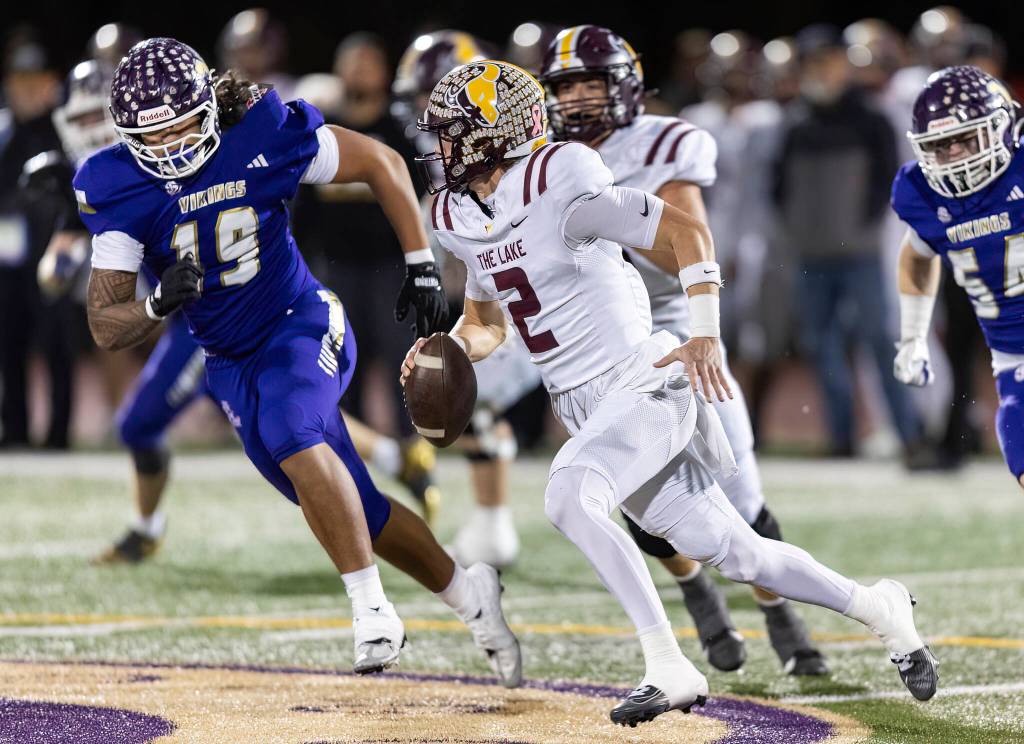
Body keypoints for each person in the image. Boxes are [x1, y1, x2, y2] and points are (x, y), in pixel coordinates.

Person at [405, 59, 937, 725]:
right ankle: (879, 606)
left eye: (454, 131)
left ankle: (666, 663)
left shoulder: (559, 175)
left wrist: (703, 332)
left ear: (494, 133)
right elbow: (486, 321)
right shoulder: (456, 211)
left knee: (569, 495)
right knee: (738, 551)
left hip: (644, 374)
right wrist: (446, 350)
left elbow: (684, 232)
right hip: (585, 406)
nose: (441, 145)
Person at [73, 37, 520, 685]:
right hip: (227, 359)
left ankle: (371, 612)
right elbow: (104, 323)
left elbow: (382, 163)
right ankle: (472, 597)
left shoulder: (260, 134)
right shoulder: (117, 187)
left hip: (301, 322)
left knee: (292, 430)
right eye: (154, 136)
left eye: (182, 127)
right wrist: (154, 307)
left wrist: (421, 263)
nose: (171, 147)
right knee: (356, 509)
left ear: (208, 109)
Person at [538, 24, 826, 677]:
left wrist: (602, 224)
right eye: (568, 86)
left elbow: (682, 244)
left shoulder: (665, 141)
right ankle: (696, 591)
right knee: (637, 492)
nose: (580, 99)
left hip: (678, 325)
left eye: (592, 83)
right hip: (606, 344)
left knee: (741, 496)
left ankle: (780, 610)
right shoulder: (545, 159)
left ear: (626, 86)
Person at [773, 25, 926, 462]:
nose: (822, 70)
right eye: (812, 62)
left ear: (844, 62)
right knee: (822, 345)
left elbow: (888, 184)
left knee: (881, 340)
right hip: (811, 254)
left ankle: (909, 434)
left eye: (829, 60)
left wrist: (862, 231)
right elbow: (778, 187)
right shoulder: (795, 122)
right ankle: (842, 438)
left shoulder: (872, 117)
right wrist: (799, 233)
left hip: (861, 254)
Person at [893, 65, 1024, 488]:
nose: (955, 157)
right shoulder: (920, 192)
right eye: (940, 146)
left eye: (966, 139)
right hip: (1014, 363)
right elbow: (915, 256)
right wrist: (913, 336)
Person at [0, 29, 65, 448]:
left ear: (50, 83)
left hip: (53, 249)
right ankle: (17, 430)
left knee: (56, 343)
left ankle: (59, 434)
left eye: (34, 81)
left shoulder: (63, 127)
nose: (26, 90)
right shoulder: (3, 130)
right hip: (7, 256)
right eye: (18, 81)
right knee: (10, 342)